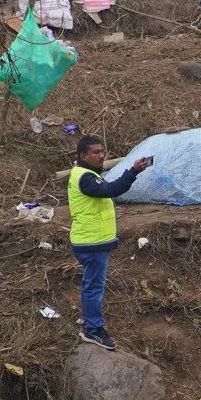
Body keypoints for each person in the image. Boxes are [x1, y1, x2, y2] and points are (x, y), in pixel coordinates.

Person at [67, 135, 153, 353]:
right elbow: (111, 190)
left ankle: (91, 323)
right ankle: (92, 329)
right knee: (93, 287)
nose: (101, 155)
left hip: (93, 241)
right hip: (91, 242)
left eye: (102, 151)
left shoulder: (88, 174)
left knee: (92, 285)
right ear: (82, 156)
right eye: (95, 152)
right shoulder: (86, 177)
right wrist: (132, 172)